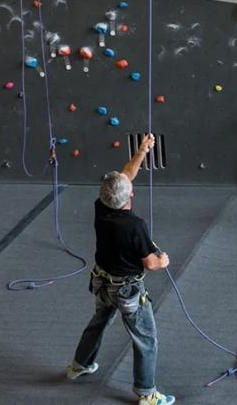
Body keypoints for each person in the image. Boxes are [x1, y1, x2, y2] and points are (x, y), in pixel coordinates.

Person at [66, 133, 175, 405]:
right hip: (127, 290)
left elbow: (126, 176)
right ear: (131, 195)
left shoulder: (101, 207)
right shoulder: (134, 225)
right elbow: (150, 264)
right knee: (146, 339)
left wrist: (142, 152)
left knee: (98, 322)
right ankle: (146, 394)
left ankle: (79, 364)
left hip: (103, 283)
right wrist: (164, 261)